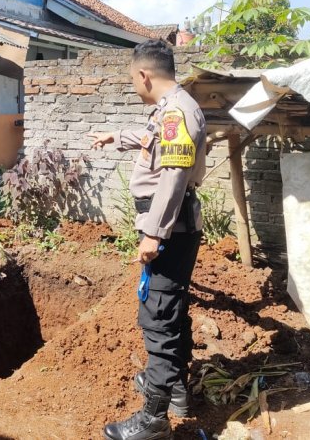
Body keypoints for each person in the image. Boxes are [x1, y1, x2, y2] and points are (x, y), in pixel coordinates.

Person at [88, 39, 206, 440]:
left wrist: (154, 232)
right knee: (170, 309)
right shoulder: (171, 110)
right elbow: (152, 139)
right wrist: (115, 136)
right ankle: (175, 391)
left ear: (144, 75)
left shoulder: (177, 112)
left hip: (169, 230)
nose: (134, 87)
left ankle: (153, 420)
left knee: (158, 316)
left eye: (132, 80)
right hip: (174, 228)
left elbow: (173, 175)